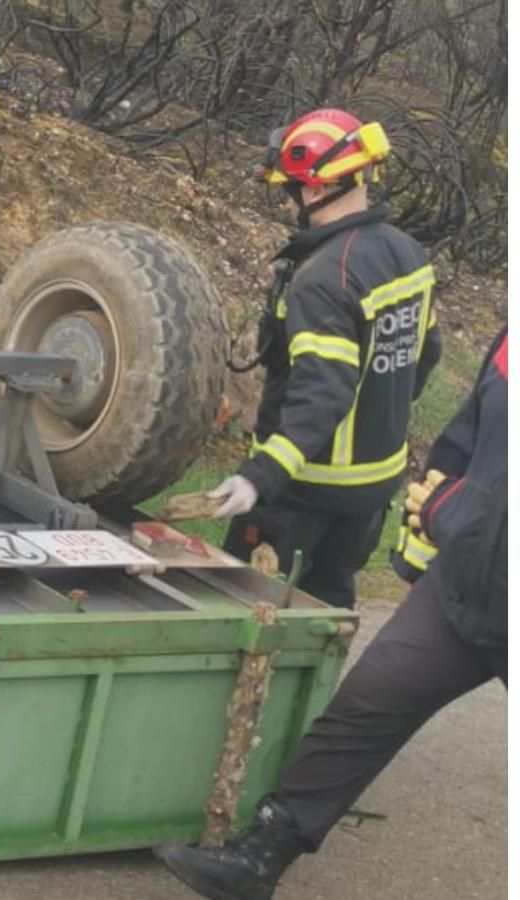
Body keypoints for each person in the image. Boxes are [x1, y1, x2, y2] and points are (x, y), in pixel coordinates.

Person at [157, 326, 507, 900]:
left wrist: (454, 511)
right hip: (464, 580)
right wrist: (423, 540)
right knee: (368, 703)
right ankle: (263, 853)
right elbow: (466, 439)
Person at [209, 108, 440, 609]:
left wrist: (260, 477)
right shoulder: (408, 255)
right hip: (373, 492)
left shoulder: (325, 279)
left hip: (304, 493)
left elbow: (323, 394)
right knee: (328, 611)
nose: (290, 202)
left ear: (314, 190)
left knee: (242, 614)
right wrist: (379, 405)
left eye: (290, 189)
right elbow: (425, 354)